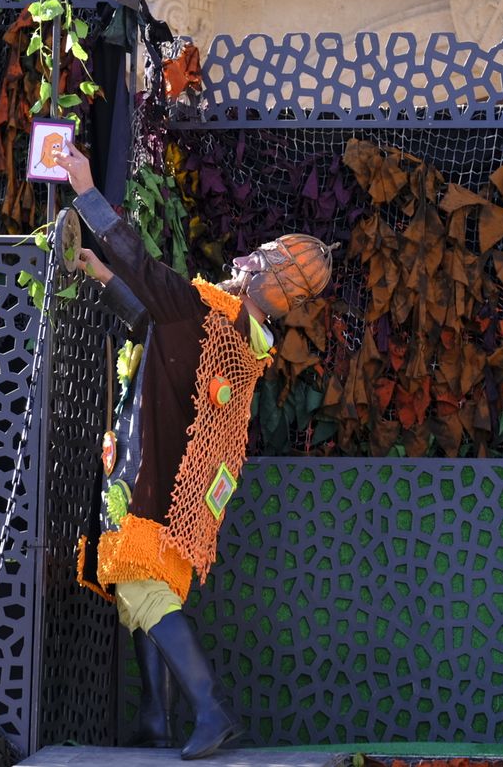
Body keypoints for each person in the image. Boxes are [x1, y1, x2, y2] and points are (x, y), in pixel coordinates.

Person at [53, 142, 334, 760]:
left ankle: (210, 708)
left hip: (153, 471)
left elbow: (149, 277)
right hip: (185, 490)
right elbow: (153, 324)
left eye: (256, 257)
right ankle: (155, 715)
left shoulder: (209, 312)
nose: (241, 256)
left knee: (138, 587)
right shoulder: (237, 335)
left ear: (264, 277)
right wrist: (100, 275)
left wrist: (86, 192)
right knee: (153, 590)